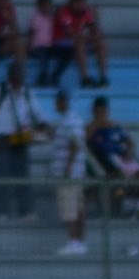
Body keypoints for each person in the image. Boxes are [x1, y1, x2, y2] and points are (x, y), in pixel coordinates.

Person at [0, 58, 43, 218]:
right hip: (2, 141)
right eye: (17, 73)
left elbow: (38, 113)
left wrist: (43, 126)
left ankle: (26, 210)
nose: (20, 76)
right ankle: (3, 211)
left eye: (22, 73)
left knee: (24, 176)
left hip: (21, 140)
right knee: (4, 178)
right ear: (10, 74)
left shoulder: (27, 92)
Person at [52, 86, 88, 255]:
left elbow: (74, 143)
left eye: (57, 102)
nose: (55, 105)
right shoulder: (69, 120)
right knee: (78, 207)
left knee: (70, 208)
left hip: (70, 173)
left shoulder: (71, 121)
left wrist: (69, 166)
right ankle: (79, 242)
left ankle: (74, 241)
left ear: (63, 102)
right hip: (76, 171)